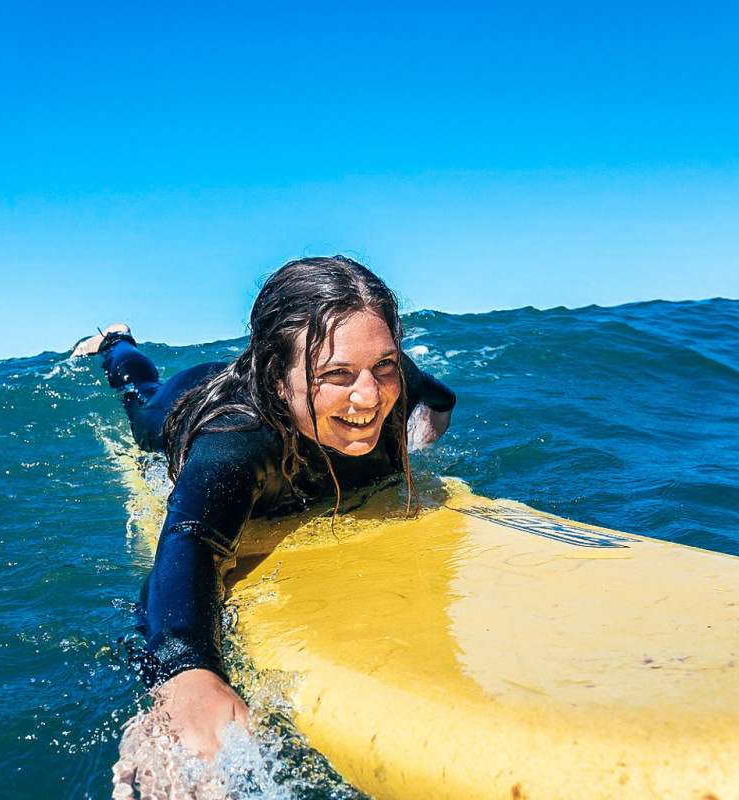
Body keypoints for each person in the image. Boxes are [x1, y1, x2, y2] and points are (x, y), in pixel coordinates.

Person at [73, 256, 456, 762]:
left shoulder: (394, 378)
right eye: (336, 374)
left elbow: (441, 400)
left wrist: (410, 445)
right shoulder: (238, 441)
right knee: (140, 403)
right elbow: (189, 542)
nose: (368, 395)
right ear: (278, 380)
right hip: (190, 396)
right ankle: (118, 344)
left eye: (383, 364)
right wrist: (188, 673)